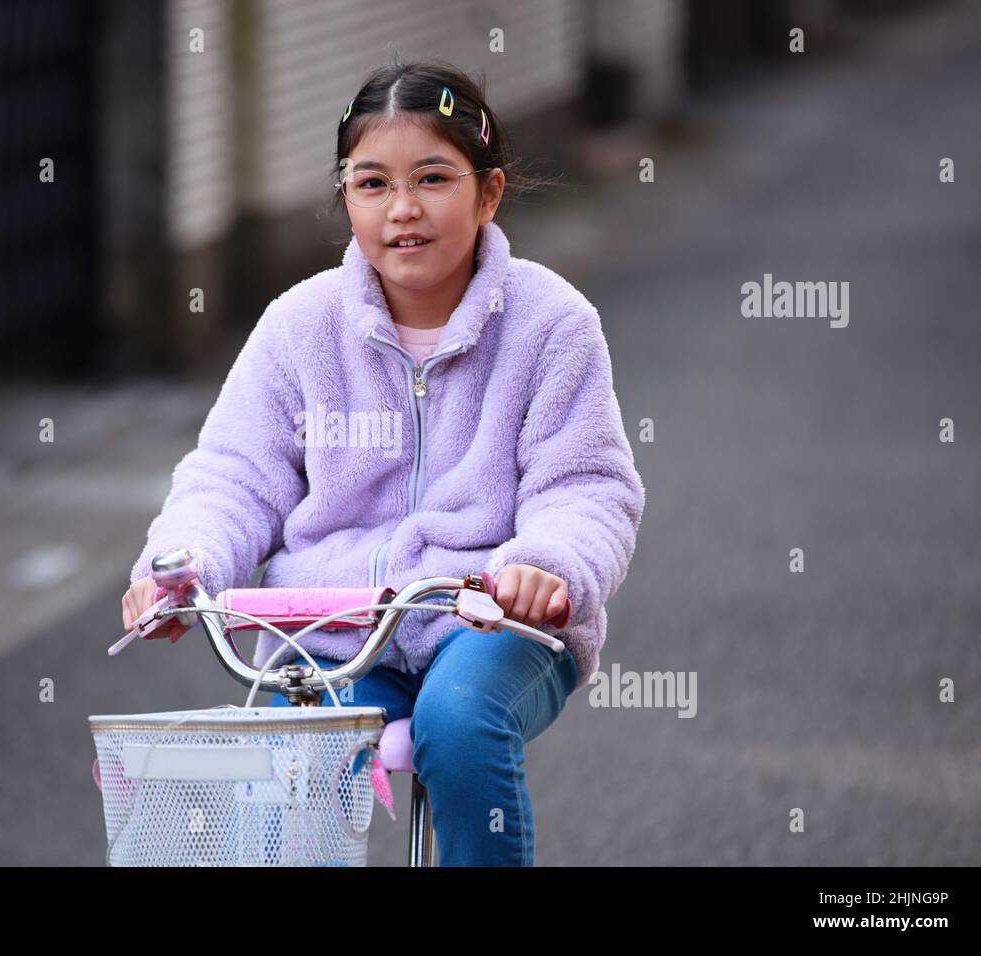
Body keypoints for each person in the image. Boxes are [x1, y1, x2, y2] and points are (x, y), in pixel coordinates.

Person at [123, 56, 645, 865]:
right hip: (334, 629)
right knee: (295, 749)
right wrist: (183, 566)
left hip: (492, 618)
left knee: (459, 721)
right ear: (345, 197)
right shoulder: (299, 328)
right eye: (372, 184)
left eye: (433, 178)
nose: (403, 209)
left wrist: (549, 565)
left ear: (488, 192)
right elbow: (231, 475)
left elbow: (586, 485)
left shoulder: (552, 324)